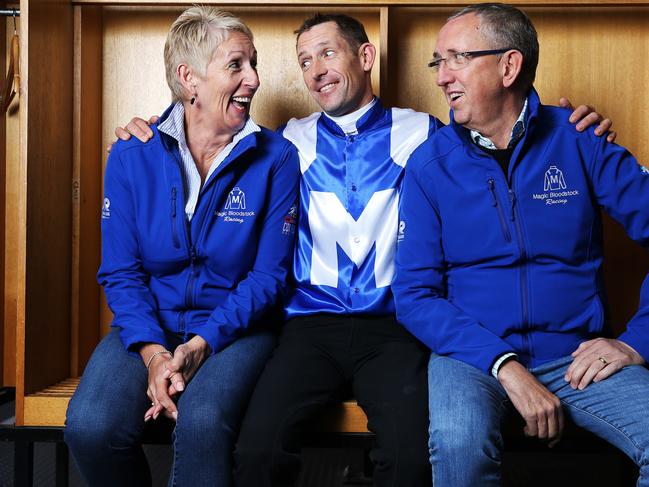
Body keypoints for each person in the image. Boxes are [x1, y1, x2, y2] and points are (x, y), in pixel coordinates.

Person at [116, 13, 614, 486]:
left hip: (393, 327)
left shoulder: (425, 133)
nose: (315, 72)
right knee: (257, 452)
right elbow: (201, 137)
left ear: (366, 56)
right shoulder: (284, 141)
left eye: (327, 54)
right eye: (304, 61)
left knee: (410, 456)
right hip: (309, 325)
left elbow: (500, 137)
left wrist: (563, 128)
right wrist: (150, 129)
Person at [393, 3, 649, 486]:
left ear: (508, 66)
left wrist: (636, 342)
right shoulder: (429, 167)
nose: (442, 77)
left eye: (456, 58)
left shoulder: (581, 141)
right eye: (437, 62)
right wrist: (505, 366)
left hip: (575, 359)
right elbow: (414, 296)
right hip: (470, 357)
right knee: (458, 445)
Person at [64, 6, 299, 486]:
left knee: (204, 423)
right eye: (236, 65)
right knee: (90, 427)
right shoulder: (133, 154)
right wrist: (154, 354)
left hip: (235, 329)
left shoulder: (277, 157)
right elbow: (120, 273)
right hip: (150, 325)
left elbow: (268, 277)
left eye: (254, 63)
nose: (253, 79)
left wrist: (200, 344)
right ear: (188, 77)